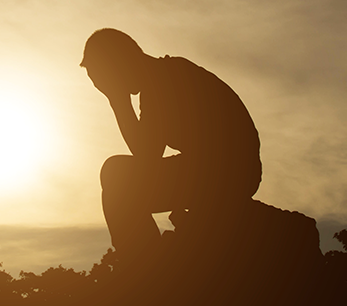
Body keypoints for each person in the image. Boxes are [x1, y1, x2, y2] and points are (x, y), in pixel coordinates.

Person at [81, 28, 261, 263]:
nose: (102, 88)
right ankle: (145, 264)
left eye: (102, 81)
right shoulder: (162, 75)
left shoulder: (163, 81)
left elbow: (147, 158)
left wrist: (118, 100)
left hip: (226, 171)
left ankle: (143, 269)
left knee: (116, 175)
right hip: (222, 169)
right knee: (118, 175)